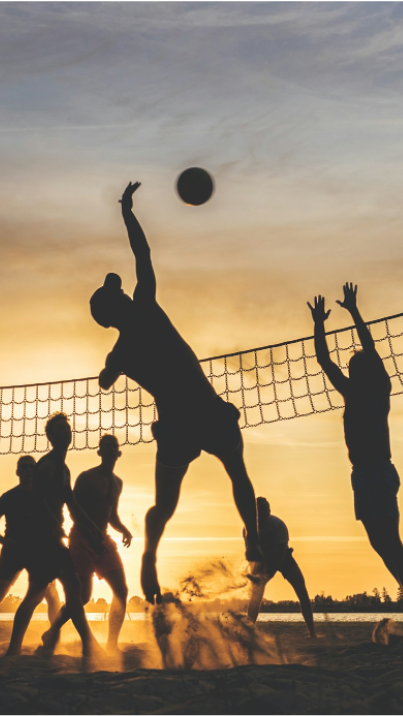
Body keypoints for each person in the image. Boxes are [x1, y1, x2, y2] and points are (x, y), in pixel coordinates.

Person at [91, 181, 263, 605]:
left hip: (174, 425)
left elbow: (104, 381)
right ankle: (253, 540)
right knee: (237, 473)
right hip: (204, 411)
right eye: (118, 292)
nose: (125, 289)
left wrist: (112, 366)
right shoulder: (145, 306)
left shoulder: (122, 348)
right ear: (119, 304)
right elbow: (142, 254)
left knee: (164, 507)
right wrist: (127, 212)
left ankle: (149, 554)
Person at [308, 283, 403, 642]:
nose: (348, 368)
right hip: (367, 473)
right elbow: (334, 360)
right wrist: (337, 317)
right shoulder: (366, 390)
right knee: (381, 542)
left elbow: (340, 357)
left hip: (375, 471)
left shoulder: (369, 391)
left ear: (360, 372)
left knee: (389, 539)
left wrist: (332, 320)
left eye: (352, 366)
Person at [5, 413, 103, 657]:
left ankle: (87, 645)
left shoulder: (64, 469)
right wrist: (51, 523)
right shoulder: (48, 465)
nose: (63, 433)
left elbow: (72, 503)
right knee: (40, 594)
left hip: (53, 540)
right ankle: (15, 649)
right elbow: (35, 498)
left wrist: (92, 527)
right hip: (41, 539)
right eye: (58, 430)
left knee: (68, 590)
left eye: (66, 429)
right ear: (50, 436)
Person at [39, 434, 133, 653]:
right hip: (81, 537)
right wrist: (86, 533)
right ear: (99, 452)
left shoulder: (117, 483)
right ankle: (52, 631)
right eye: (105, 446)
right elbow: (74, 510)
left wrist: (123, 529)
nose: (110, 449)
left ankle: (112, 644)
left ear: (118, 452)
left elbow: (112, 515)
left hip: (103, 538)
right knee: (83, 596)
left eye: (113, 446)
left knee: (121, 590)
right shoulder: (86, 478)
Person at [0, 455, 60, 644]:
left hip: (38, 551)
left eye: (32, 467)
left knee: (52, 593)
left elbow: (54, 522)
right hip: (13, 552)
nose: (29, 471)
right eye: (25, 467)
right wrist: (5, 542)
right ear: (18, 472)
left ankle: (54, 637)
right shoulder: (9, 497)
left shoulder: (44, 496)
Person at [245, 497, 316, 638]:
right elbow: (250, 554)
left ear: (269, 511)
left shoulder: (278, 525)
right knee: (255, 595)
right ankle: (249, 632)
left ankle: (312, 633)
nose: (261, 513)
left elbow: (281, 554)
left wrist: (270, 573)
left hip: (282, 557)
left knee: (302, 590)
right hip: (262, 561)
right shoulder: (249, 529)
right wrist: (254, 575)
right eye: (258, 511)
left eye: (264, 510)